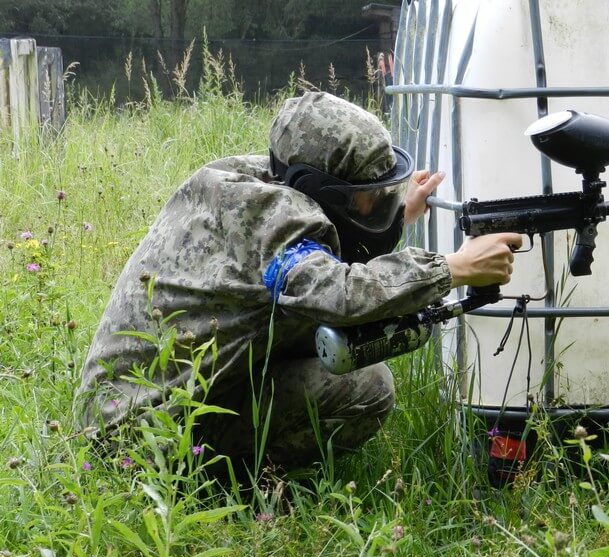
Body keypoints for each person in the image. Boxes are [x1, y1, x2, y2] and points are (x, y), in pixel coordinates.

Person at [76, 92, 522, 480]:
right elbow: (338, 294)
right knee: (369, 386)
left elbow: (323, 249)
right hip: (137, 439)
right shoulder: (273, 218)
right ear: (317, 186)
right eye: (367, 197)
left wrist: (396, 214)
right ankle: (232, 489)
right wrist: (454, 267)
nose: (377, 204)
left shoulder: (251, 180)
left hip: (127, 406)